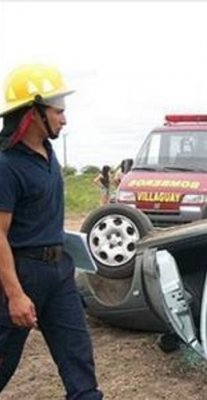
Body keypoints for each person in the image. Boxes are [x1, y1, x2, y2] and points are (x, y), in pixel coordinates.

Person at [0, 64, 103, 399]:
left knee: (79, 363)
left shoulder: (48, 153)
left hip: (59, 272)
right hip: (21, 274)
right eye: (58, 112)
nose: (64, 119)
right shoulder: (6, 166)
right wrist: (15, 295)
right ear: (33, 113)